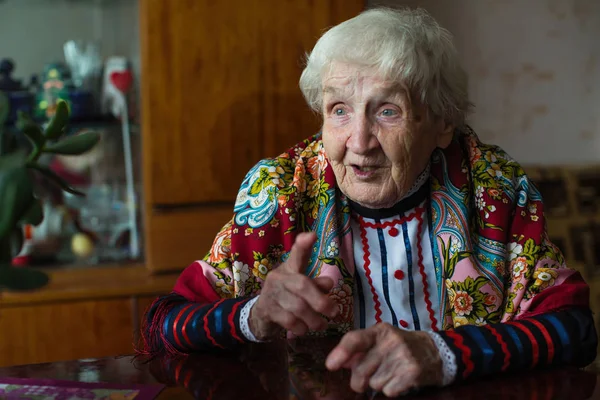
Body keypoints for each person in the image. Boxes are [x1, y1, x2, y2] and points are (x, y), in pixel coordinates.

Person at [138, 7, 597, 397]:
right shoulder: (278, 194)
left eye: (387, 111)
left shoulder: (492, 188)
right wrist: (252, 314)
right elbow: (161, 326)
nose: (359, 141)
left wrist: (444, 353)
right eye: (339, 109)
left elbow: (574, 328)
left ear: (441, 124)